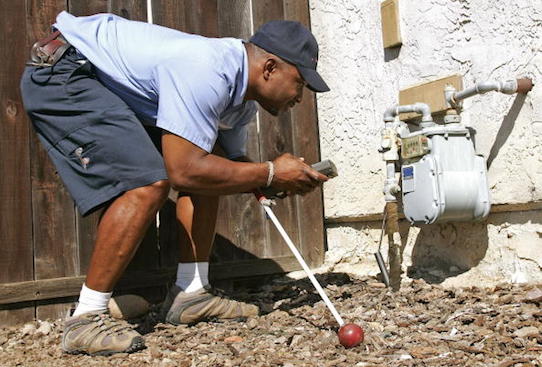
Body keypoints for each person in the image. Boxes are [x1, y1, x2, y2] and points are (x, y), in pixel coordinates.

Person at [20, 11, 330, 356]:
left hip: (102, 83)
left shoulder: (241, 104)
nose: (300, 97)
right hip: (66, 71)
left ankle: (191, 292)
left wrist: (276, 179)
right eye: (300, 83)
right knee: (149, 182)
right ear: (269, 68)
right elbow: (185, 171)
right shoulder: (207, 69)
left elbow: (224, 165)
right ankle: (86, 318)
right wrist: (271, 171)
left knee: (209, 160)